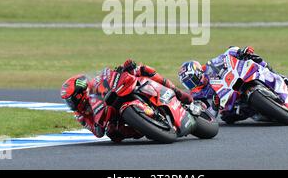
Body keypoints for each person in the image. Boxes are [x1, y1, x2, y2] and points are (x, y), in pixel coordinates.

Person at [60, 60, 192, 142]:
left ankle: (177, 92)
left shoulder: (95, 83)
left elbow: (109, 76)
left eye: (71, 100)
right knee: (112, 134)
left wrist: (124, 69)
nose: (71, 105)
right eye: (68, 102)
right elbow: (97, 132)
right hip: (115, 115)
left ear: (80, 93)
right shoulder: (81, 115)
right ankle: (144, 129)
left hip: (121, 92)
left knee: (141, 69)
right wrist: (99, 124)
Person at [178, 46, 288, 124]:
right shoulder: (196, 94)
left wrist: (241, 52)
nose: (192, 84)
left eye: (192, 79)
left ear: (198, 72)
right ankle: (260, 112)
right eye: (188, 83)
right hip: (229, 101)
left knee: (254, 58)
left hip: (235, 80)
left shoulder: (209, 66)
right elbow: (209, 115)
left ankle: (277, 75)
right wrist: (214, 104)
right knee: (227, 118)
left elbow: (227, 54)